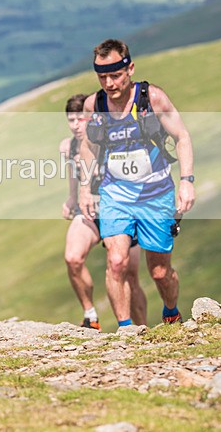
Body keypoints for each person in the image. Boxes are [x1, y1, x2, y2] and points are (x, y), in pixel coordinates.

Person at [79, 39, 195, 328]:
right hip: (115, 194)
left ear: (129, 68)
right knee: (117, 262)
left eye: (115, 75)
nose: (109, 83)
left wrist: (187, 182)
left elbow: (182, 137)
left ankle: (171, 312)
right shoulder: (95, 105)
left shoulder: (152, 98)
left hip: (156, 194)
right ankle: (125, 329)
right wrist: (84, 187)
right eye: (102, 76)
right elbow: (88, 146)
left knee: (159, 271)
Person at [61, 94, 147, 330]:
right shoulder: (68, 147)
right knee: (72, 258)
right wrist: (71, 196)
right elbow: (73, 174)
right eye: (71, 120)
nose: (76, 125)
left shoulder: (110, 139)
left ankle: (141, 331)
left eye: (81, 118)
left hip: (120, 209)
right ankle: (90, 316)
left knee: (129, 276)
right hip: (89, 212)